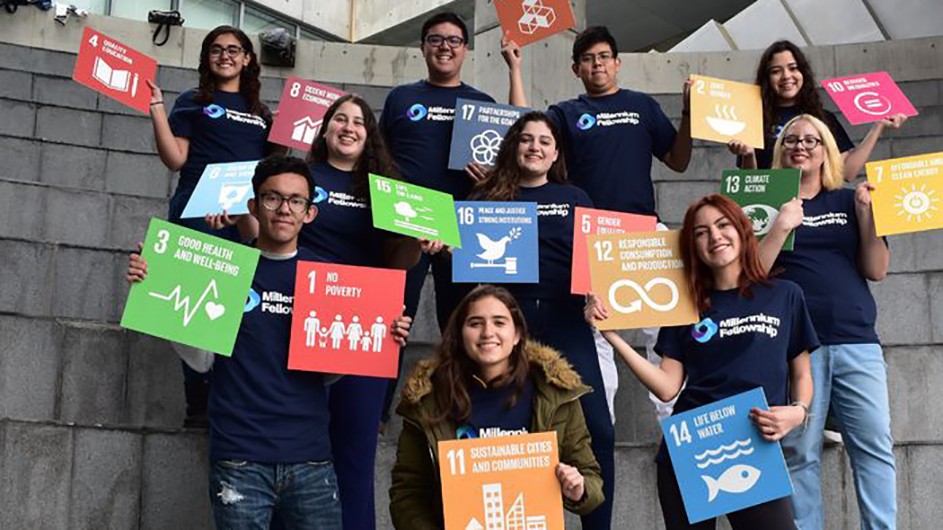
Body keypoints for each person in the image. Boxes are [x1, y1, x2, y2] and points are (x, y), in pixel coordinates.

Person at [126, 155, 412, 529]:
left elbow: (328, 374)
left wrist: (381, 334)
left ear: (309, 213)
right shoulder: (226, 268)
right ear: (253, 206)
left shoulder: (327, 278)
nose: (284, 209)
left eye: (296, 201)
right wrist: (156, 284)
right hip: (240, 459)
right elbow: (200, 360)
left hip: (311, 459)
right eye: (272, 198)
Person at [215, 94, 421, 530]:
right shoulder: (300, 178)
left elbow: (397, 261)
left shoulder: (386, 188)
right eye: (339, 119)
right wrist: (237, 220)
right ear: (323, 128)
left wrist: (419, 242)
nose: (348, 127)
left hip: (356, 324)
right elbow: (270, 233)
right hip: (291, 318)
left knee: (355, 456)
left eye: (359, 122)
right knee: (298, 454)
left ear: (370, 136)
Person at [503, 26, 694, 438]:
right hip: (590, 236)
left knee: (666, 337)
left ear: (617, 63)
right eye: (588, 58)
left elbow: (678, 161)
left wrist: (689, 114)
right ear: (576, 68)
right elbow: (524, 127)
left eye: (604, 56)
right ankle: (599, 433)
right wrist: (515, 70)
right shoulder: (567, 113)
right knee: (598, 335)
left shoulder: (642, 106)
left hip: (644, 232)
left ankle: (678, 436)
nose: (597, 64)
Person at [586, 193, 816, 530]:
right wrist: (612, 336)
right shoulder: (685, 307)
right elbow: (667, 388)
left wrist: (798, 412)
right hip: (691, 444)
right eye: (701, 232)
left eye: (723, 225)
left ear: (742, 229)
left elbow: (803, 373)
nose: (715, 237)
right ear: (693, 246)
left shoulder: (785, 294)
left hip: (751, 440)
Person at [469, 111, 617, 530]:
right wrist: (441, 246)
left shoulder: (576, 198)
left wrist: (597, 293)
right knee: (511, 435)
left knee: (599, 432)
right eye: (526, 139)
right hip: (507, 329)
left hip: (567, 323)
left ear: (555, 154)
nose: (535, 147)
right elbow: (465, 262)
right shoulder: (486, 199)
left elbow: (599, 261)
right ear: (514, 147)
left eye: (544, 142)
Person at [760, 114, 896, 530]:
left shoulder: (847, 198)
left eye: (811, 140)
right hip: (799, 347)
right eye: (791, 140)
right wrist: (780, 227)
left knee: (873, 447)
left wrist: (868, 218)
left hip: (856, 340)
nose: (800, 146)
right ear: (780, 151)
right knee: (800, 452)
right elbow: (754, 272)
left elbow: (876, 269)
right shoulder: (768, 203)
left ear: (826, 151)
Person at [147, 25, 278, 427]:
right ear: (207, 57)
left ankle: (232, 395)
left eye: (234, 49)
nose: (225, 56)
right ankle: (198, 405)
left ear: (248, 58)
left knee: (241, 308)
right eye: (217, 50)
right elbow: (175, 158)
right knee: (192, 310)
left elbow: (273, 167)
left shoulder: (262, 112)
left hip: (242, 215)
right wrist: (156, 108)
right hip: (196, 211)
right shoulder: (192, 101)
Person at [389, 285, 604, 529]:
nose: (488, 332)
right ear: (459, 334)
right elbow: (407, 493)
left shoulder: (555, 394)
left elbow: (592, 481)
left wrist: (578, 488)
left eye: (500, 322)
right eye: (475, 323)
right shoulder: (428, 401)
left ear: (517, 335)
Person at [378, 10, 496, 433]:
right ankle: (376, 413)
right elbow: (380, 161)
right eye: (435, 39)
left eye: (453, 40)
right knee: (390, 319)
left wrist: (491, 177)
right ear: (423, 47)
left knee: (463, 325)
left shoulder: (482, 105)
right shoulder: (400, 99)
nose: (444, 46)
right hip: (406, 224)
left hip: (462, 231)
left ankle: (462, 412)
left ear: (465, 49)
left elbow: (506, 178)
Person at [728, 39, 907, 178]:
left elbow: (847, 172)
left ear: (803, 73)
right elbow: (749, 184)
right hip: (774, 209)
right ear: (767, 78)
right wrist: (748, 154)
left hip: (819, 211)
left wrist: (878, 127)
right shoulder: (754, 120)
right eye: (776, 71)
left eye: (793, 68)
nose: (786, 76)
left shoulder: (823, 118)